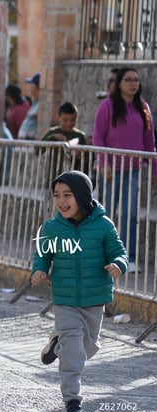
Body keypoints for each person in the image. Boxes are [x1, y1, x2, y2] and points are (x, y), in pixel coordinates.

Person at [31, 170, 128, 412]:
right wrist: (39, 269)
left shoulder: (104, 226)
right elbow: (42, 253)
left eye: (68, 195)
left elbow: (120, 252)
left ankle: (58, 343)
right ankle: (73, 404)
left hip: (95, 299)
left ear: (83, 197)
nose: (61, 201)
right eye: (57, 196)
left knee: (87, 347)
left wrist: (118, 264)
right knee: (74, 352)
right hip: (64, 299)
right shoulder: (52, 228)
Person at [93, 66, 157, 273]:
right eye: (128, 79)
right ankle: (102, 254)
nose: (133, 83)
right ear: (119, 82)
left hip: (134, 169)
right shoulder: (107, 106)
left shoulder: (143, 108)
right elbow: (98, 137)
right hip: (111, 170)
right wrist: (103, 163)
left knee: (130, 214)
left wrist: (155, 170)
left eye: (136, 80)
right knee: (107, 213)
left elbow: (150, 140)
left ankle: (127, 257)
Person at [41, 102, 90, 177]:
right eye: (65, 120)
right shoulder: (53, 132)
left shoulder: (80, 136)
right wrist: (53, 138)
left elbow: (86, 160)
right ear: (58, 117)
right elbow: (38, 150)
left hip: (73, 177)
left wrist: (79, 155)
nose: (69, 123)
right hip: (54, 175)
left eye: (72, 120)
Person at [18, 72, 40, 140]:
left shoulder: (41, 104)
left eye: (32, 85)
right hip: (25, 143)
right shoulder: (35, 102)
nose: (30, 88)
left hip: (31, 142)